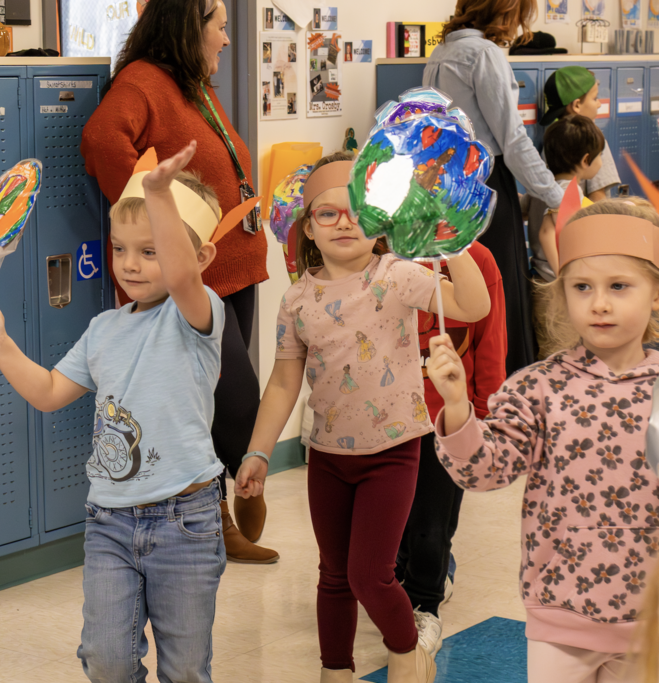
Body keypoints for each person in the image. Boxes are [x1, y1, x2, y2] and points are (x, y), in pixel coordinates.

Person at [0, 143, 244, 682]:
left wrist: (159, 192)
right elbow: (48, 391)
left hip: (185, 521)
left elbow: (183, 278)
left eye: (151, 250)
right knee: (106, 661)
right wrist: (0, 343)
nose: (130, 265)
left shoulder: (197, 315)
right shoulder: (104, 330)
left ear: (200, 257)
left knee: (186, 670)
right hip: (110, 522)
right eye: (120, 249)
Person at [238, 152, 491, 683]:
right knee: (333, 576)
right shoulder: (298, 300)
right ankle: (336, 671)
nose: (345, 221)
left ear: (381, 225)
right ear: (308, 228)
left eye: (357, 211)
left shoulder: (398, 275)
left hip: (394, 451)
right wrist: (259, 451)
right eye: (327, 213)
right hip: (327, 456)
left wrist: (451, 240)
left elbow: (472, 304)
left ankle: (407, 656)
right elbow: (284, 382)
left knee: (369, 574)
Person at [427, 198, 659, 683]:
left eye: (619, 286)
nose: (599, 303)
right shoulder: (537, 387)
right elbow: (485, 471)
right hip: (560, 612)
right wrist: (455, 407)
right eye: (581, 287)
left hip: (650, 621)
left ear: (655, 294)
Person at [81, 0, 276, 563]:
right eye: (220, 27)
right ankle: (235, 491)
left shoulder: (192, 84)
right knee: (236, 401)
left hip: (236, 269)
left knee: (218, 402)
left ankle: (223, 509)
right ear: (190, 26)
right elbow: (101, 141)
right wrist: (152, 227)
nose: (227, 39)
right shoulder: (143, 82)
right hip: (196, 283)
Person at [424, 0, 564, 375]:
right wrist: (557, 197)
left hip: (450, 183)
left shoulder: (442, 52)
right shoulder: (483, 54)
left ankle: (473, 393)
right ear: (504, 11)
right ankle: (509, 390)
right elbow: (513, 140)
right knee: (501, 292)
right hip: (487, 182)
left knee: (468, 291)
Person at [395, 241, 508, 657]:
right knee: (397, 517)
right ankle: (404, 579)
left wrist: (483, 410)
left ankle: (426, 600)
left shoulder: (475, 258)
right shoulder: (375, 251)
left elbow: (490, 337)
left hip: (445, 414)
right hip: (387, 412)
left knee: (433, 521)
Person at [527, 116, 605, 355]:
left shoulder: (543, 189)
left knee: (555, 351)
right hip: (554, 288)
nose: (601, 161)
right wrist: (565, 277)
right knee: (561, 352)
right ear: (585, 160)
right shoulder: (566, 193)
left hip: (541, 281)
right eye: (599, 155)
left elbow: (524, 211)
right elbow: (546, 232)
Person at [540, 66, 621, 202]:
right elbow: (598, 198)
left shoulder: (550, 140)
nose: (599, 104)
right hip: (582, 220)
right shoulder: (593, 140)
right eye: (595, 98)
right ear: (576, 105)